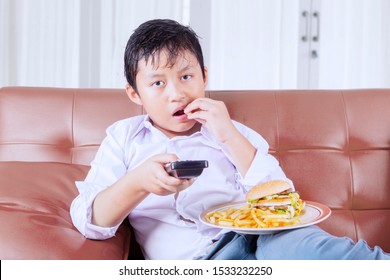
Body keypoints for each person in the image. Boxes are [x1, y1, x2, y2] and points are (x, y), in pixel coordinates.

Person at [70, 19, 390, 260]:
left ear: (204, 77)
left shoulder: (229, 129)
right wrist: (138, 182)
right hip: (203, 261)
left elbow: (281, 201)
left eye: (186, 77)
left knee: (315, 249)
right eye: (157, 83)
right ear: (134, 93)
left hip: (264, 238)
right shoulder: (124, 137)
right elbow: (92, 221)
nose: (177, 93)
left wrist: (226, 133)